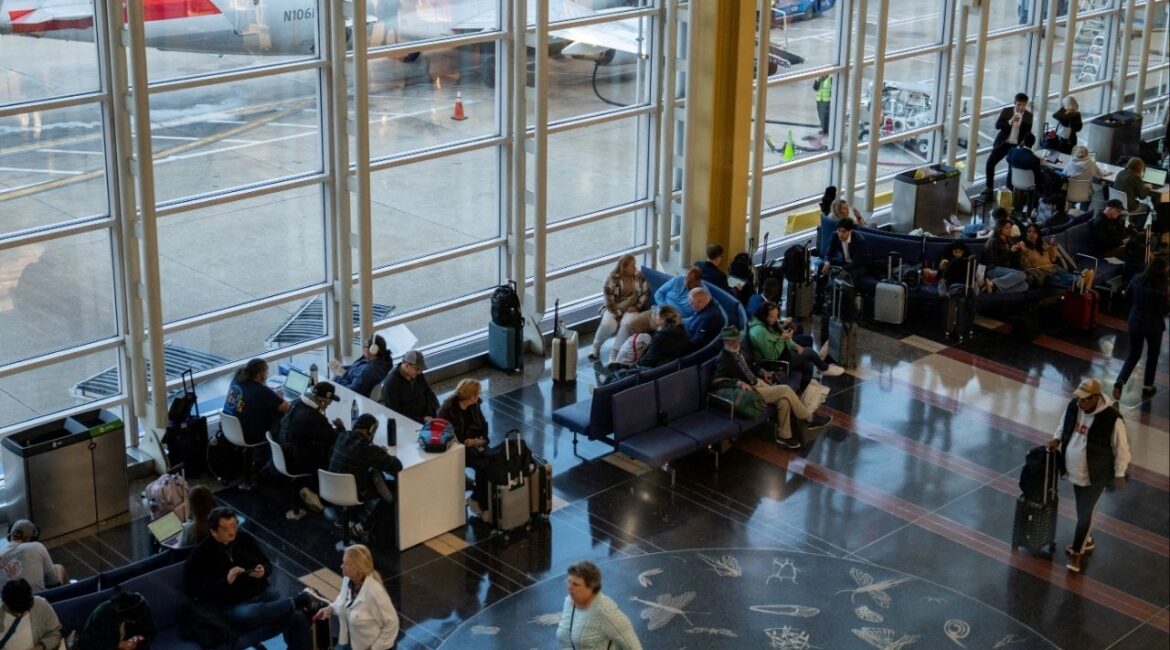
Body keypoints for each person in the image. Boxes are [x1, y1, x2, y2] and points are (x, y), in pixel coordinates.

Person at [184, 507, 321, 649]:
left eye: (234, 525)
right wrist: (225, 582)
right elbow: (196, 591)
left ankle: (297, 603)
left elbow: (267, 564)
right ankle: (301, 600)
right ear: (213, 531)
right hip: (233, 605)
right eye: (226, 529)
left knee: (297, 617)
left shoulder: (244, 539)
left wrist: (263, 571)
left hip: (261, 593)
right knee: (251, 613)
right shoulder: (200, 555)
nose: (232, 531)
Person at [1046, 379, 1131, 573]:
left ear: (1096, 398)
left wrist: (1119, 473)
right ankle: (1088, 538)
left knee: (1086, 513)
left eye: (1085, 400)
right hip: (1074, 471)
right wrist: (1057, 438)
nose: (1080, 403)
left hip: (1096, 475)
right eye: (1079, 398)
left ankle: (1076, 554)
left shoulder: (1112, 419)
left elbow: (1122, 449)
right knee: (1082, 510)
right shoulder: (1074, 406)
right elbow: (1063, 423)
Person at [713, 326, 832, 450]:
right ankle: (809, 418)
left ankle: (784, 436)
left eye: (737, 339)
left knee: (784, 401)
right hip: (751, 390)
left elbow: (752, 365)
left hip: (758, 382)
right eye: (733, 340)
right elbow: (717, 381)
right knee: (785, 390)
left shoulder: (740, 350)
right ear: (726, 342)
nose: (736, 342)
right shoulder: (723, 359)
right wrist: (738, 384)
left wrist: (763, 372)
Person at [328, 414, 403, 538]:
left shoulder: (342, 436)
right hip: (352, 492)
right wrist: (380, 453)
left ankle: (350, 517)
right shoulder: (368, 450)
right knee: (385, 492)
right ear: (371, 430)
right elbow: (397, 465)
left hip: (331, 488)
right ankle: (362, 527)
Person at [277, 381, 345, 513]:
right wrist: (341, 429)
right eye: (329, 402)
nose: (329, 405)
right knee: (334, 454)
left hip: (284, 451)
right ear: (322, 401)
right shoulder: (314, 417)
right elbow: (333, 438)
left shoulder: (297, 403)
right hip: (297, 460)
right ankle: (318, 493)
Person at [312, 545, 398, 649]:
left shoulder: (375, 593)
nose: (341, 566)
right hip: (351, 641)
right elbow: (344, 601)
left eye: (347, 564)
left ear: (358, 568)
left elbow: (392, 623)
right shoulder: (348, 580)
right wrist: (331, 608)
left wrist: (375, 648)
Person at [747, 302, 843, 390]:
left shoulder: (770, 323)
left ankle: (804, 389)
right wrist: (782, 339)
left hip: (784, 352)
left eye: (777, 316)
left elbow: (784, 338)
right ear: (764, 316)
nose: (776, 319)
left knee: (808, 362)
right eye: (773, 317)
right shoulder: (758, 332)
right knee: (809, 351)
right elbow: (771, 356)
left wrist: (795, 345)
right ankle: (825, 368)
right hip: (776, 362)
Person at [1113, 258, 1168, 400]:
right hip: (1154, 326)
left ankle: (1120, 381)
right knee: (1152, 355)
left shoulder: (1137, 279)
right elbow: (1165, 310)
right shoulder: (1162, 288)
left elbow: (1127, 296)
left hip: (1135, 321)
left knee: (1133, 354)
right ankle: (1148, 386)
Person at [556, 561, 641, 650]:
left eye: (576, 584)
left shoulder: (606, 612)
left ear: (590, 587)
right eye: (569, 581)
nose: (569, 587)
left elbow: (633, 647)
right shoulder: (568, 602)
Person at [436, 379, 490, 514]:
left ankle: (481, 497)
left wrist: (481, 439)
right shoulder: (447, 410)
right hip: (455, 449)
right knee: (483, 466)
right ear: (470, 396)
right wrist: (464, 442)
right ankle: (477, 499)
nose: (479, 396)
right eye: (477, 394)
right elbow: (444, 434)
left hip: (473, 444)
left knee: (492, 459)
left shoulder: (474, 405)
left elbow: (483, 424)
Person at [223, 358, 289, 464]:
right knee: (281, 417)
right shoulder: (261, 391)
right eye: (266, 372)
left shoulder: (237, 380)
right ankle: (273, 459)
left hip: (230, 428)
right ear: (259, 375)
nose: (267, 374)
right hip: (248, 434)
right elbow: (286, 407)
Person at [590, 255, 650, 364]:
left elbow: (645, 293)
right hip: (614, 308)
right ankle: (596, 346)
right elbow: (609, 301)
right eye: (632, 266)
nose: (635, 268)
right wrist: (618, 315)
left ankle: (614, 354)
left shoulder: (639, 276)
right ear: (624, 267)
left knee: (627, 324)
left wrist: (637, 307)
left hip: (631, 309)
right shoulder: (612, 279)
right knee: (609, 324)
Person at [985, 93, 1033, 194]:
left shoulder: (1029, 116)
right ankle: (989, 188)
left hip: (1015, 146)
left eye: (1024, 105)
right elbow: (998, 126)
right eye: (1019, 104)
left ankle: (1009, 191)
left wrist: (1023, 145)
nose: (1021, 107)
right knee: (990, 162)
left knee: (1012, 168)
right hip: (1004, 143)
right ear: (1014, 103)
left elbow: (1027, 132)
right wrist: (1010, 121)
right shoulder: (1007, 112)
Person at [79, 589, 155, 650]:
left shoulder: (142, 607)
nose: (134, 622)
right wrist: (118, 645)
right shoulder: (102, 614)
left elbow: (150, 631)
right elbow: (88, 644)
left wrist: (139, 639)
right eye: (132, 620)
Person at [0, 520, 64, 594]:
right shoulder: (37, 546)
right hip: (38, 601)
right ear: (32, 539)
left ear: (10, 536)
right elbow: (53, 581)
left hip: (7, 604)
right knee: (59, 567)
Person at [0, 578, 61, 650]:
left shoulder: (41, 606)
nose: (19, 615)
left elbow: (55, 634)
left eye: (23, 611)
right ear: (5, 605)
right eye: (15, 612)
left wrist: (40, 647)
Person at [379, 349, 438, 422]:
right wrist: (421, 420)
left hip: (426, 416)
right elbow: (395, 414)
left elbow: (429, 393)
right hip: (410, 422)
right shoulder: (391, 384)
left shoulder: (417, 375)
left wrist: (437, 410)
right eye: (417, 369)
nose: (420, 372)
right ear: (407, 365)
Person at [980, 219, 1030, 294]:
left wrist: (1020, 250)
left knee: (1025, 285)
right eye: (1006, 228)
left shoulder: (1008, 240)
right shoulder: (993, 242)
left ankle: (994, 289)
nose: (1009, 230)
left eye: (1010, 227)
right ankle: (994, 283)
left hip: (1004, 269)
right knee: (1021, 275)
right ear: (999, 229)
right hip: (992, 269)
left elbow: (1012, 260)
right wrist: (1011, 251)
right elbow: (997, 261)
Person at [633, 305, 691, 369]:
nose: (655, 318)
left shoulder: (662, 335)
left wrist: (636, 365)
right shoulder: (681, 328)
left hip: (656, 370)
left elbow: (647, 361)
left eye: (657, 315)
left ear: (663, 318)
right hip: (673, 367)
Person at [819, 218, 870, 285]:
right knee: (822, 266)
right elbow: (829, 253)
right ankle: (819, 292)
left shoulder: (859, 241)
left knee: (849, 276)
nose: (840, 234)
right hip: (845, 263)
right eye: (839, 231)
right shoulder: (835, 236)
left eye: (843, 231)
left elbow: (856, 264)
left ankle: (847, 294)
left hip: (859, 266)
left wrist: (839, 269)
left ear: (850, 231)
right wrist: (827, 262)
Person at [1021, 223, 1066, 288]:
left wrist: (1052, 246)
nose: (1031, 234)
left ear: (1038, 234)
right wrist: (1025, 253)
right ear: (1026, 234)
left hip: (1053, 268)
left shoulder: (1043, 244)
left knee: (1072, 278)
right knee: (1065, 282)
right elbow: (1025, 268)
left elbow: (1053, 259)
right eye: (1029, 231)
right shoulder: (1024, 248)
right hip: (1043, 274)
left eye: (1034, 232)